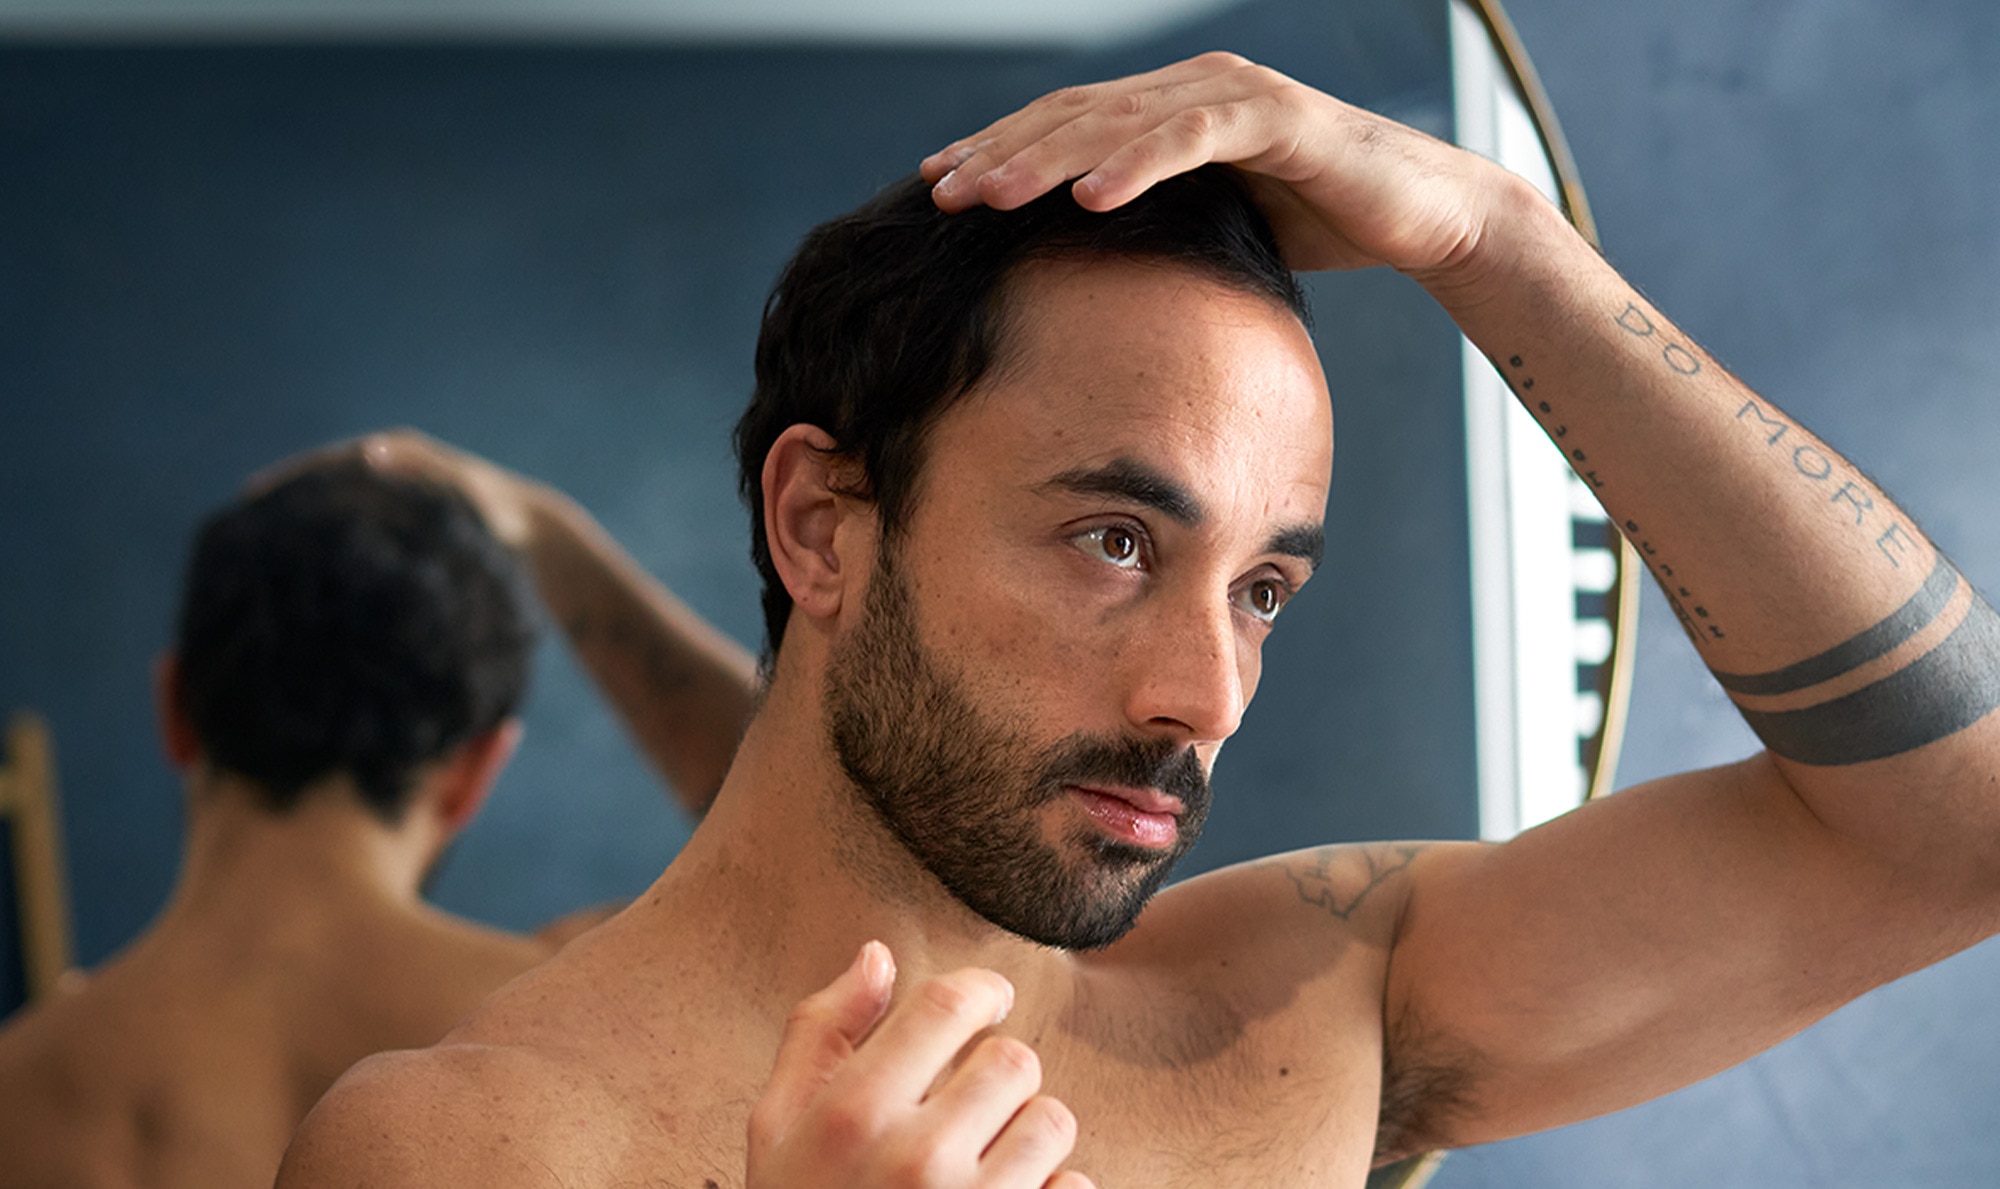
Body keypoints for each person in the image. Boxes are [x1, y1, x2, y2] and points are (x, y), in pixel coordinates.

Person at [278, 53, 2000, 1189]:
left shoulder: (1306, 1008)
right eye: (1114, 537)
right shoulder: (470, 1140)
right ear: (823, 522)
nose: (1208, 693)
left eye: (1263, 587)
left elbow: (1951, 829)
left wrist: (1501, 244)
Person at [0, 437, 757, 1189]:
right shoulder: (590, 1014)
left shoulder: (19, 1088)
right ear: (475, 769)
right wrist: (550, 538)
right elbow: (836, 835)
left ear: (174, 708)